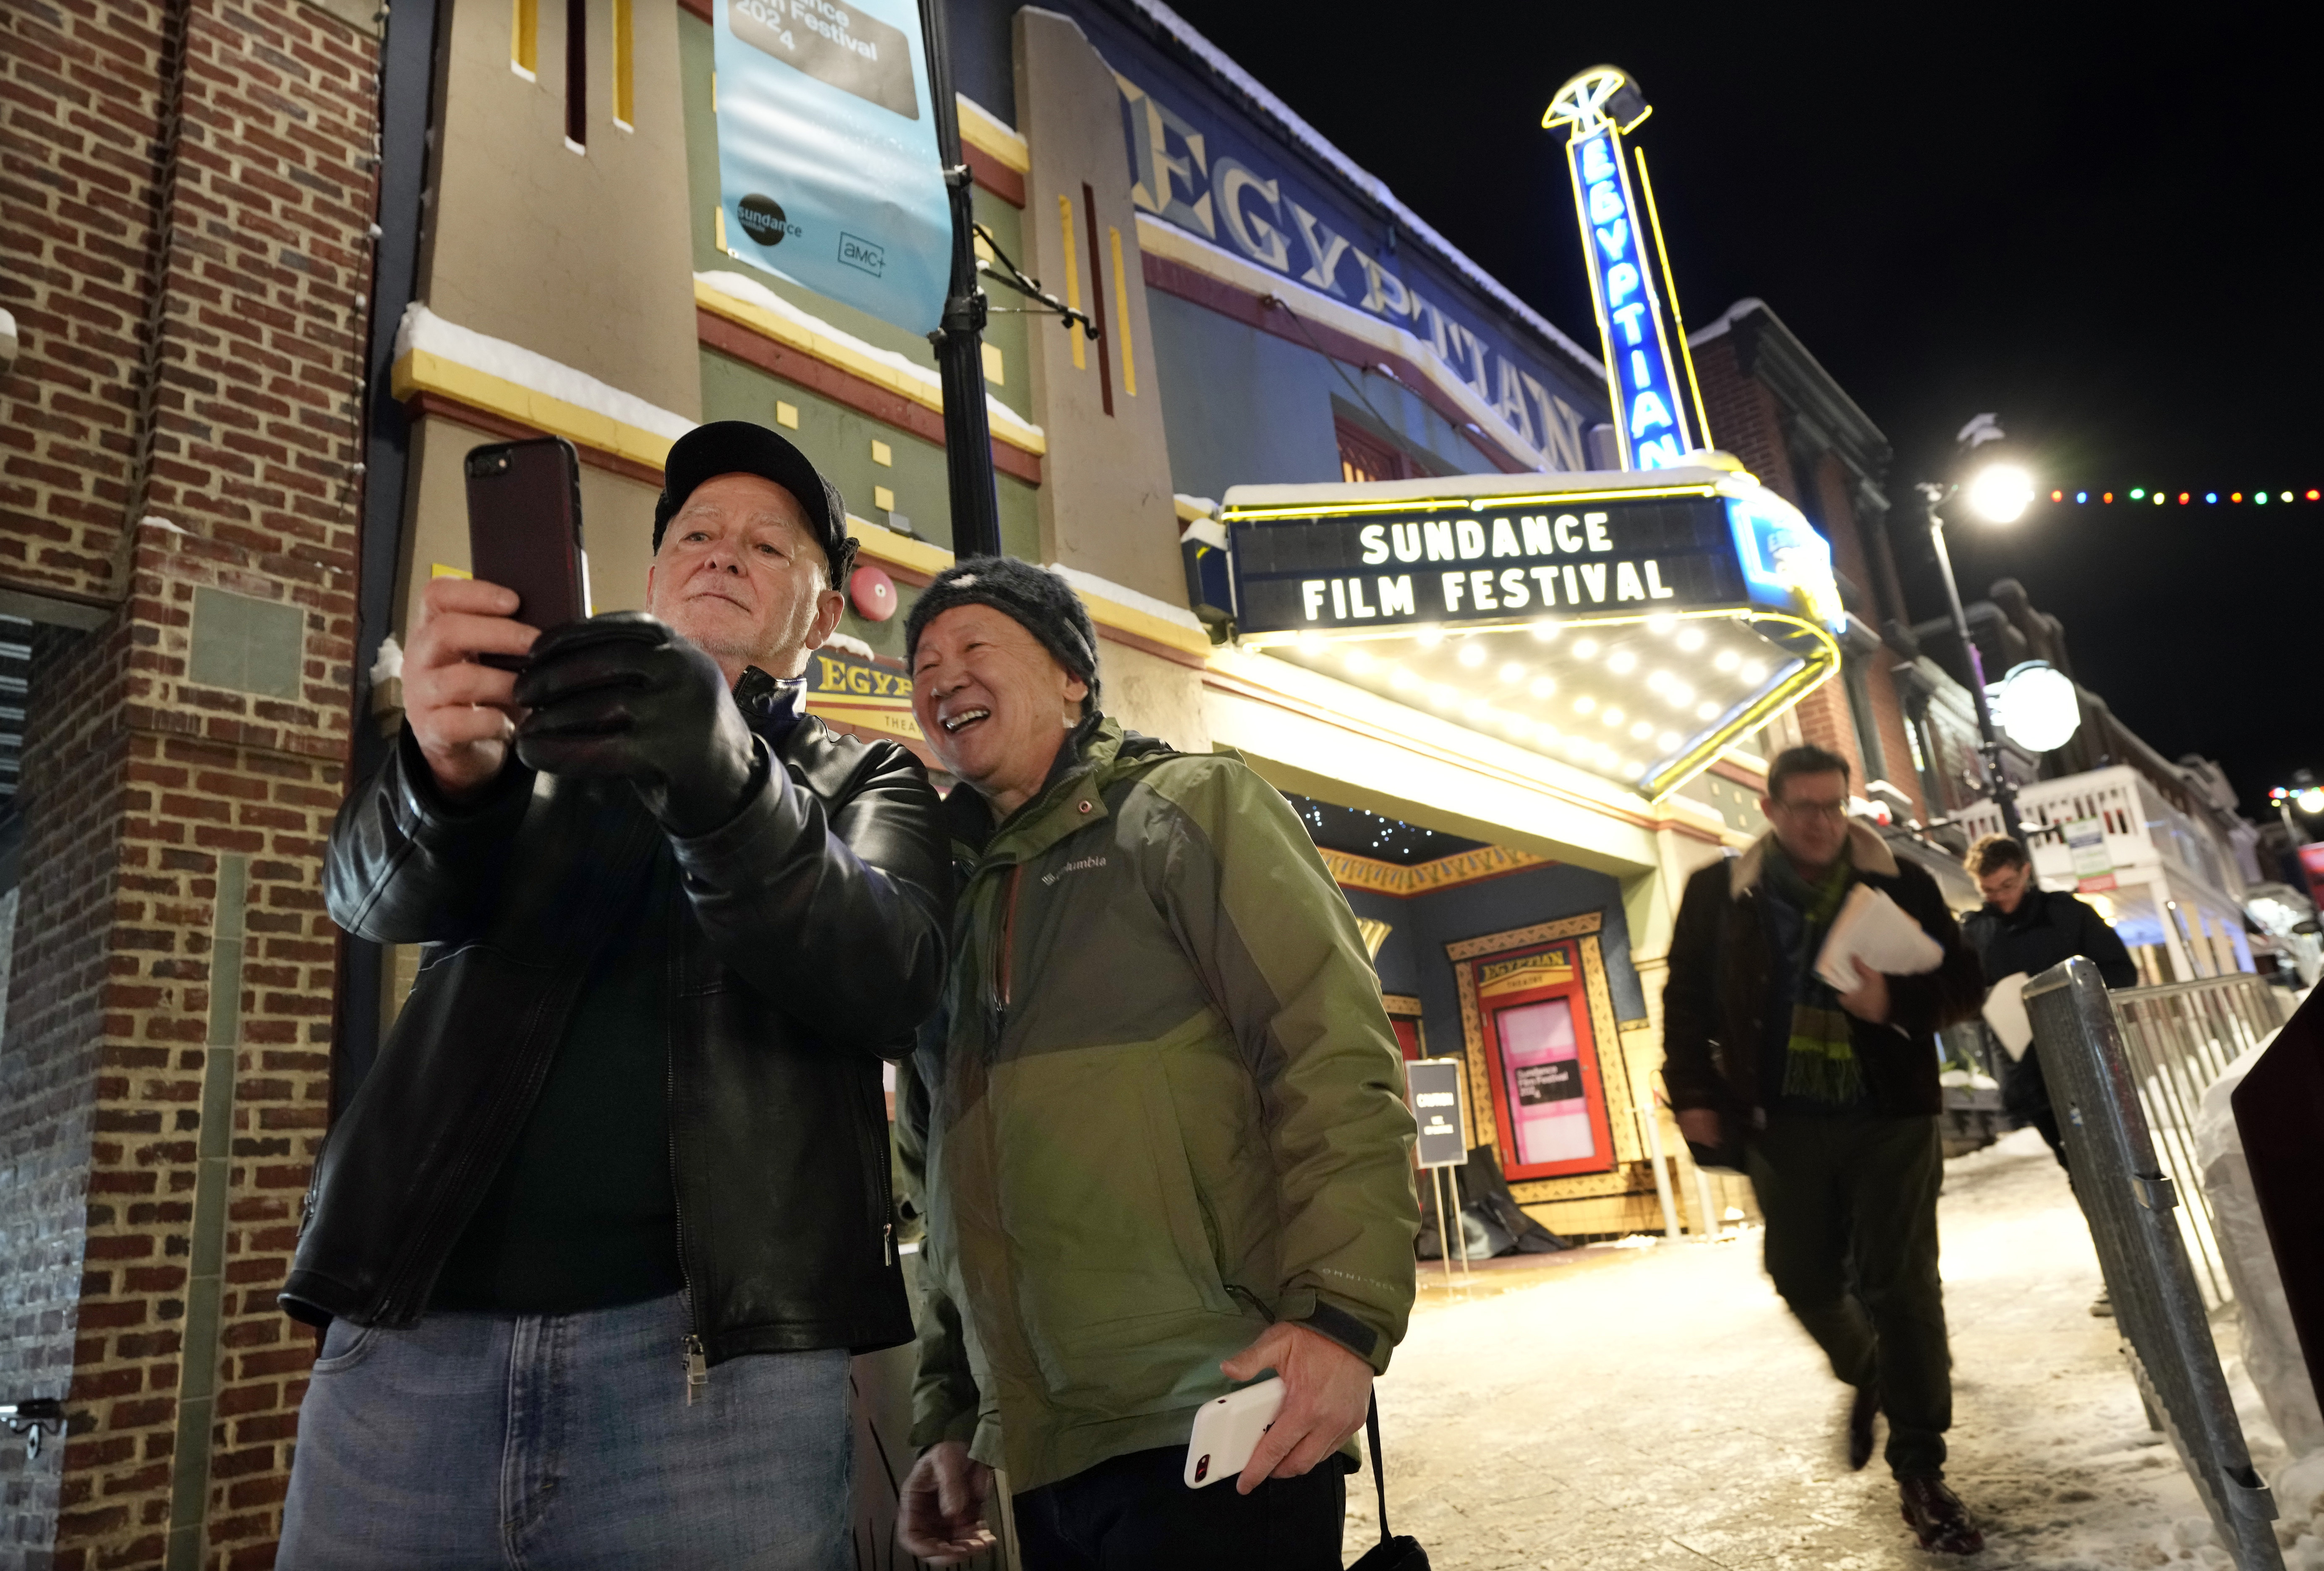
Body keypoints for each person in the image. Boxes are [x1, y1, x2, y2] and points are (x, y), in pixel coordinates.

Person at [279, 422, 952, 1568]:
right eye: (695, 533)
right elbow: (366, 899)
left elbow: (888, 975)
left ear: (823, 621)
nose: (722, 553)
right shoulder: (520, 749)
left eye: (768, 547)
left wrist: (725, 774)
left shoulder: (863, 775)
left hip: (716, 1386)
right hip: (408, 1351)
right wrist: (440, 771)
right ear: (647, 580)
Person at [889, 558, 1418, 1571]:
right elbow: (942, 1175)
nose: (941, 675)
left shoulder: (1185, 808)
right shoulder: (940, 908)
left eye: (973, 646)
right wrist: (950, 1412)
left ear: (1073, 677)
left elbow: (1331, 1051)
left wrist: (1345, 1321)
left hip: (1218, 1418)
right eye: (923, 662)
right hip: (1040, 1453)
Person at [1661, 745, 1987, 1555]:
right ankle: (1871, 1368)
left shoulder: (1901, 879)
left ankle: (1921, 1468)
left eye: (1833, 805)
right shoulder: (1719, 891)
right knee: (1800, 1272)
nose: (1820, 821)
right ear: (1768, 811)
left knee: (1902, 1281)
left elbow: (1961, 983)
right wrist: (1695, 1092)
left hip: (1890, 1114)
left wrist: (1890, 998)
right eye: (1803, 806)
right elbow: (1685, 1000)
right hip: (1781, 1118)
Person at [1961, 832, 2139, 1167]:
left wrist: (2064, 993)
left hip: (2084, 1058)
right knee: (2074, 1164)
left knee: (2115, 1158)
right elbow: (1963, 1000)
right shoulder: (1974, 932)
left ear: (2025, 872)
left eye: (2007, 885)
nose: (2000, 897)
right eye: (1989, 890)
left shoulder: (2069, 915)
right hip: (2027, 1074)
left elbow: (2121, 972)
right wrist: (1989, 1002)